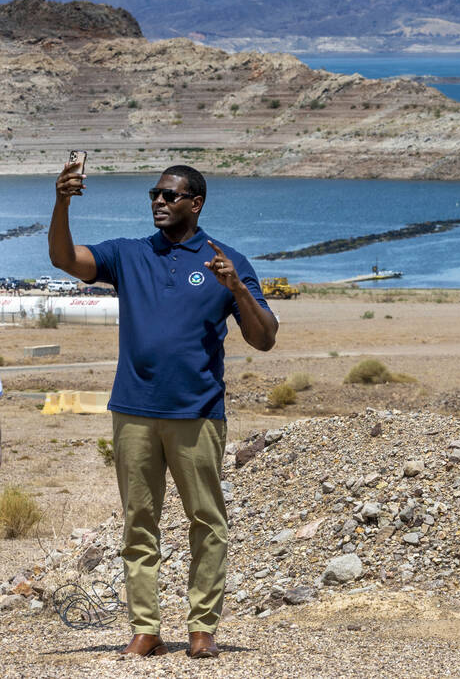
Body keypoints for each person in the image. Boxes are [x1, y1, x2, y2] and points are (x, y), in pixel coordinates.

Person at [50, 162, 277, 659]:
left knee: (207, 520)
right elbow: (65, 258)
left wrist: (237, 288)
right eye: (155, 194)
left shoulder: (226, 261)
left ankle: (202, 628)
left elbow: (264, 339)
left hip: (197, 414)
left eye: (170, 196)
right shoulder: (129, 255)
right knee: (139, 522)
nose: (159, 202)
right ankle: (146, 628)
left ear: (195, 203)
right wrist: (63, 202)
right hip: (133, 411)